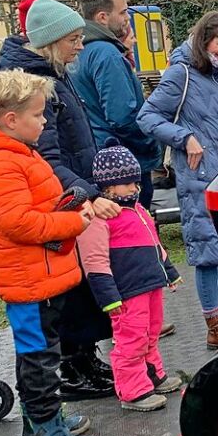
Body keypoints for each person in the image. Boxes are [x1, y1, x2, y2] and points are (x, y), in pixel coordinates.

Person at [0, 70, 105, 436]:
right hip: (27, 279)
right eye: (38, 115)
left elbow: (34, 207)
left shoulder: (17, 152)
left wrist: (68, 204)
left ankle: (41, 420)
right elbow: (18, 222)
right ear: (11, 119)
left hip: (40, 274)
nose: (44, 122)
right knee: (38, 357)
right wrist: (73, 222)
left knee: (42, 352)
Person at [0, 0, 117, 399]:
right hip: (63, 199)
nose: (81, 45)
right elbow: (46, 158)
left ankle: (83, 356)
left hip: (76, 188)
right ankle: (70, 365)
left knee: (83, 285)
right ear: (50, 42)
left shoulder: (54, 74)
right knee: (70, 291)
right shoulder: (36, 87)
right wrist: (87, 192)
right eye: (74, 39)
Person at [137, 12, 218, 349]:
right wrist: (184, 137)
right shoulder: (183, 74)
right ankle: (213, 321)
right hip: (203, 176)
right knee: (208, 251)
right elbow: (147, 116)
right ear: (204, 42)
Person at [78, 146, 182, 411]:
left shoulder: (139, 212)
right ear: (109, 187)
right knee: (130, 339)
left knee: (151, 332)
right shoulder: (99, 218)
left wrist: (169, 271)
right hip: (126, 291)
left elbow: (155, 245)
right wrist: (108, 296)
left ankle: (152, 374)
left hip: (150, 285)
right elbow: (95, 260)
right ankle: (132, 390)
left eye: (136, 182)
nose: (134, 188)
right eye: (127, 183)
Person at [70, 0, 161, 210]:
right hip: (123, 164)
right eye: (122, 12)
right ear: (102, 16)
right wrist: (151, 142)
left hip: (98, 157)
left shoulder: (81, 51)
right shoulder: (106, 53)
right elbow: (122, 116)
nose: (126, 17)